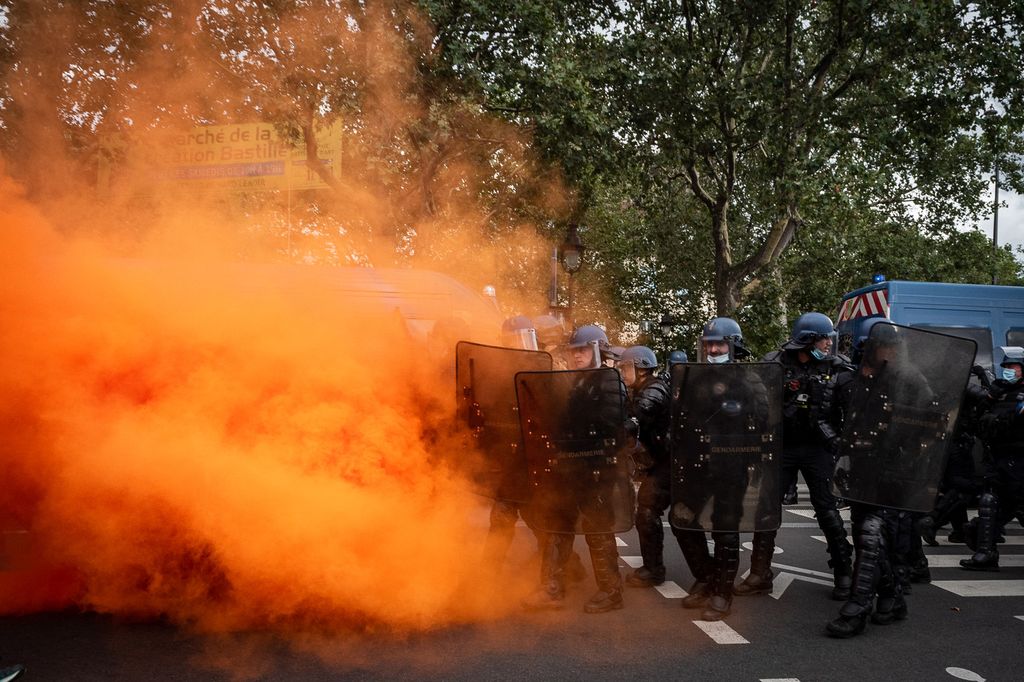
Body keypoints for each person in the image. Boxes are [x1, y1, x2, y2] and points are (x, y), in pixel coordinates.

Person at [736, 312, 853, 600]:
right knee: (767, 510)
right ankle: (760, 573)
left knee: (827, 509)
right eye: (824, 338)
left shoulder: (837, 367)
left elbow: (854, 408)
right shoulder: (775, 363)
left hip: (819, 448)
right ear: (807, 341)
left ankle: (844, 572)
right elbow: (753, 398)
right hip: (782, 446)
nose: (828, 343)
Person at [521, 325, 631, 613]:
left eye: (582, 350)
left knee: (598, 530)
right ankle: (551, 588)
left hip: (596, 470)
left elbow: (611, 424)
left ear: (597, 350)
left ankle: (611, 591)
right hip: (568, 468)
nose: (577, 355)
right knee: (557, 526)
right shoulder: (572, 381)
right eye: (574, 351)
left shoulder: (609, 381)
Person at [671, 317, 774, 621]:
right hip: (698, 463)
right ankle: (706, 577)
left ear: (733, 345)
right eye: (708, 344)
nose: (713, 349)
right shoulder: (692, 376)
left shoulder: (750, 379)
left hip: (731, 464)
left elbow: (762, 423)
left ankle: (722, 594)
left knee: (725, 529)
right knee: (681, 519)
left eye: (719, 343)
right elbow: (682, 418)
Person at [960, 346, 1024, 571]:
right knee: (989, 502)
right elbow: (979, 419)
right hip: (998, 456)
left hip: (1019, 458)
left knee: (1015, 505)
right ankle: (986, 553)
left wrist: (999, 421)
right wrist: (989, 398)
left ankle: (983, 543)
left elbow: (1012, 424)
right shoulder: (999, 392)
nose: (1008, 370)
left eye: (1013, 367)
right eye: (1006, 367)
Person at [618, 346, 672, 588]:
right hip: (658, 462)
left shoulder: (654, 389)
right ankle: (654, 567)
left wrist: (627, 424)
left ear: (639, 368)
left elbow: (642, 412)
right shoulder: (635, 390)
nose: (621, 371)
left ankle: (654, 570)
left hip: (669, 464)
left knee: (648, 511)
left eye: (624, 367)